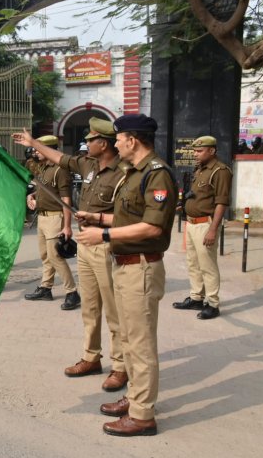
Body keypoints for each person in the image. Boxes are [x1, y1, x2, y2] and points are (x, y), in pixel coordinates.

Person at [74, 113, 176, 437]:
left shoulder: (157, 175)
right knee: (130, 339)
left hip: (141, 267)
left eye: (119, 138)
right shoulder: (133, 174)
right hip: (125, 265)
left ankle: (143, 415)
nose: (116, 144)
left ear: (132, 140)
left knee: (141, 343)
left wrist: (103, 237)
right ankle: (134, 398)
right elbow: (126, 217)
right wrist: (98, 219)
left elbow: (152, 226)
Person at [13, 117, 127, 392]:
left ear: (104, 143)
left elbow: (128, 216)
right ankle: (91, 357)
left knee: (113, 310)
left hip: (105, 244)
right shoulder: (87, 163)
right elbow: (61, 158)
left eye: (90, 140)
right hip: (85, 243)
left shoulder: (124, 172)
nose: (86, 144)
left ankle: (121, 366)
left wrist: (98, 220)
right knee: (89, 307)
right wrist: (32, 142)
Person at [172, 136, 233, 320]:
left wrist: (213, 229)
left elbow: (221, 203)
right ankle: (196, 297)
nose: (195, 154)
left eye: (199, 151)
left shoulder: (220, 171)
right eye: (195, 151)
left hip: (206, 224)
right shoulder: (200, 170)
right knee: (193, 263)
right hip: (191, 223)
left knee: (208, 265)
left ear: (212, 151)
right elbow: (199, 196)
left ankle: (212, 303)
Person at [23, 135, 80, 310]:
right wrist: (31, 197)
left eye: (38, 149)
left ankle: (72, 292)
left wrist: (67, 226)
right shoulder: (43, 168)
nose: (35, 152)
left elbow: (66, 199)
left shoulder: (59, 170)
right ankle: (46, 288)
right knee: (45, 256)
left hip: (56, 218)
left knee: (56, 257)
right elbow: (43, 191)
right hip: (42, 217)